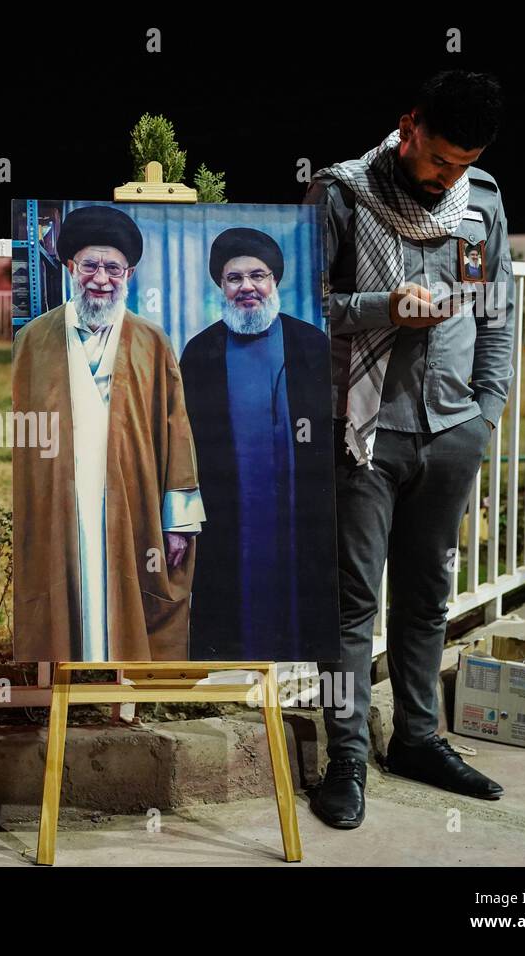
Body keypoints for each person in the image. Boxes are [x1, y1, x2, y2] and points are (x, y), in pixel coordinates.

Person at [304, 70, 515, 828]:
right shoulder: (340, 194)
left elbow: (498, 314)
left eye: (463, 163)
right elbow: (296, 308)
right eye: (438, 160)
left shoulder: (481, 201)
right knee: (352, 604)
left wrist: (484, 414)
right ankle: (346, 758)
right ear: (409, 127)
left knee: (427, 599)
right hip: (362, 431)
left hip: (452, 430)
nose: (447, 177)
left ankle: (418, 739)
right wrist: (380, 308)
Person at [13, 205, 204, 662]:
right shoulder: (34, 340)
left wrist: (176, 520)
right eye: (90, 265)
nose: (101, 278)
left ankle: (126, 696)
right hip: (61, 505)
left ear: (129, 273)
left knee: (132, 601)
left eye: (113, 268)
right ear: (71, 268)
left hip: (131, 503)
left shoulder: (151, 341)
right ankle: (58, 692)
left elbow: (176, 427)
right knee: (60, 602)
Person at [179, 228, 336, 661]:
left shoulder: (311, 345)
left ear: (274, 281)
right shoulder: (200, 352)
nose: (247, 287)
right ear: (221, 286)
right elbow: (180, 442)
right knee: (229, 609)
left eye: (257, 275)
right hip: (227, 517)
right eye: (234, 278)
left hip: (297, 514)